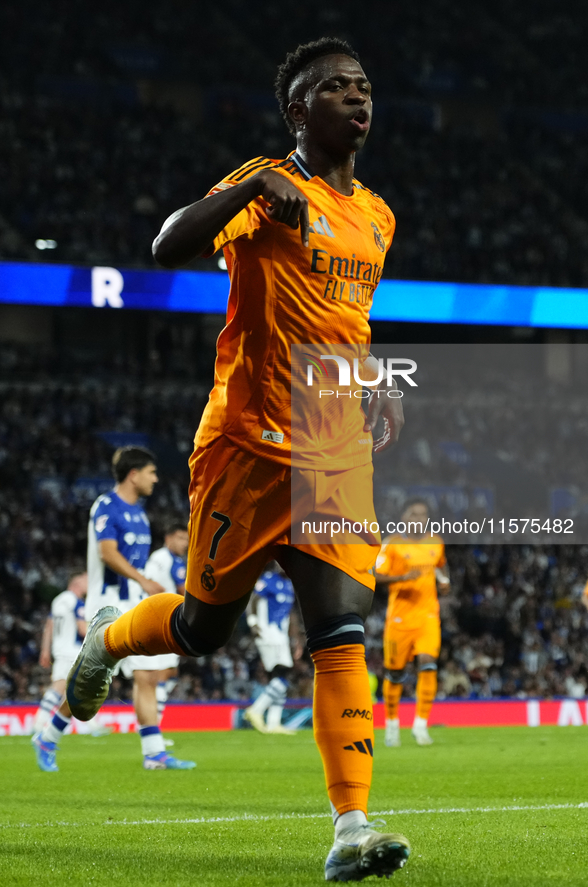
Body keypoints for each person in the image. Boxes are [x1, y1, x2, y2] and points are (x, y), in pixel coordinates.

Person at [66, 38, 410, 880]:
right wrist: (252, 186)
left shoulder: (379, 216)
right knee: (200, 628)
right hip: (246, 449)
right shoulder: (264, 188)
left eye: (362, 87)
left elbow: (343, 322)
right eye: (334, 88)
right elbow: (165, 247)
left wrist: (372, 381)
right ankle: (108, 639)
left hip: (332, 455)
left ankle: (351, 827)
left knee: (339, 630)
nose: (356, 99)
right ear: (298, 110)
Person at [35, 447, 195, 773]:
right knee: (89, 682)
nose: (156, 478)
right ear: (133, 474)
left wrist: (141, 585)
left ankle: (154, 753)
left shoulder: (141, 514)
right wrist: (144, 580)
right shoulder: (106, 506)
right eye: (151, 472)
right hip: (107, 606)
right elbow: (107, 553)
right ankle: (48, 737)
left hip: (132, 604)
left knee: (148, 675)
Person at [375, 499, 450, 748]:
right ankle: (392, 725)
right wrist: (403, 577)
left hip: (428, 616)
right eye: (414, 514)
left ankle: (420, 726)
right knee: (395, 674)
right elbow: (375, 575)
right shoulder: (392, 545)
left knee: (428, 663)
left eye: (423, 514)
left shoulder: (435, 542)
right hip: (399, 619)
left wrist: (444, 580)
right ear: (404, 517)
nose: (419, 518)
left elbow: (441, 565)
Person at [243, 562, 303, 734]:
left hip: (281, 636)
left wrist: (296, 638)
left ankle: (273, 723)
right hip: (267, 632)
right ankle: (255, 710)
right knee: (283, 672)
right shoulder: (268, 579)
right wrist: (253, 623)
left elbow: (291, 613)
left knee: (279, 676)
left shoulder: (289, 585)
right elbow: (253, 600)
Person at [144, 522, 189, 729]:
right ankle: (154, 727)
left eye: (187, 539)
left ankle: (153, 722)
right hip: (165, 622)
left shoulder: (155, 558)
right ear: (168, 538)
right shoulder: (173, 561)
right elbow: (184, 592)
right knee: (163, 674)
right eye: (181, 538)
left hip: (156, 618)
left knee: (170, 672)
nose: (185, 543)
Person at [34, 572, 88, 734]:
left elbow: (49, 626)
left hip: (59, 649)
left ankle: (69, 726)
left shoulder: (58, 600)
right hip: (71, 650)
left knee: (71, 689)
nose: (88, 584)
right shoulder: (77, 603)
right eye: (86, 580)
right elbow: (82, 629)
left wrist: (45, 650)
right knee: (60, 687)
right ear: (77, 582)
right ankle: (39, 721)